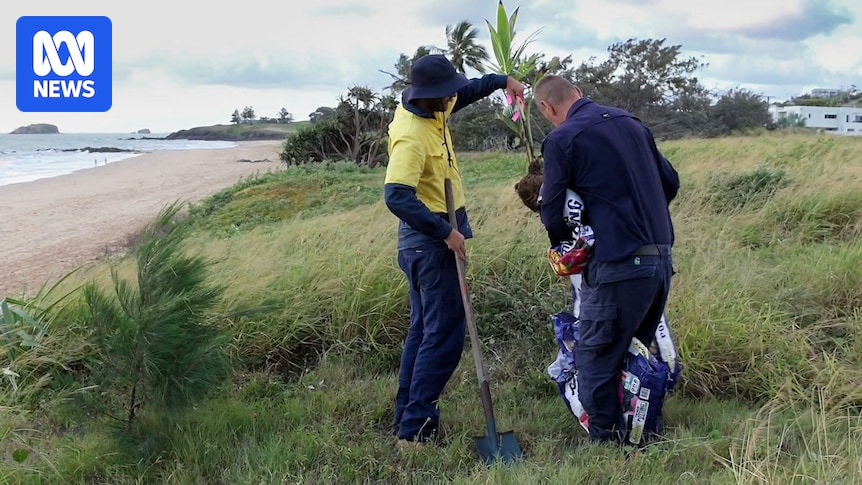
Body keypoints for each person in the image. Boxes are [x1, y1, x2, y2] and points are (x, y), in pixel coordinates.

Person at [383, 55, 524, 447]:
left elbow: (468, 91)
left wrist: (501, 81)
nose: (453, 98)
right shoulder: (412, 135)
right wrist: (446, 232)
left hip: (425, 241)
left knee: (423, 332)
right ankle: (415, 430)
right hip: (428, 245)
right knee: (443, 336)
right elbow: (396, 196)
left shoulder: (434, 108)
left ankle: (405, 420)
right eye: (447, 94)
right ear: (429, 97)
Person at [532, 75, 680, 444]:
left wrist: (567, 245)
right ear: (579, 94)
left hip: (617, 264)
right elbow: (671, 181)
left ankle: (606, 443)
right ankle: (642, 433)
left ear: (547, 108)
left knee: (595, 357)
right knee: (636, 354)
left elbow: (551, 207)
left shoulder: (562, 139)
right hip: (659, 259)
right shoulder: (631, 124)